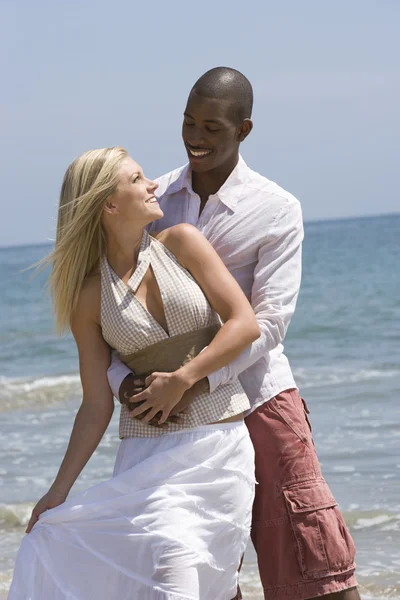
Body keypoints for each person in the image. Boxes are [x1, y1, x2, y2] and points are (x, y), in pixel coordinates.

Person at [108, 67, 360, 600]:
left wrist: (194, 378)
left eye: (212, 128)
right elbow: (121, 302)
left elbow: (268, 321)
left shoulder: (276, 208)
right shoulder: (155, 199)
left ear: (243, 130)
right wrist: (124, 382)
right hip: (173, 417)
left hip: (260, 397)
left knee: (314, 562)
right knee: (199, 564)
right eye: (188, 123)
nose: (196, 138)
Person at [8, 146, 261, 600]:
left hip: (220, 450)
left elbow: (244, 323)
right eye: (138, 178)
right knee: (170, 568)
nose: (154, 185)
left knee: (213, 585)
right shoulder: (89, 295)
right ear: (109, 203)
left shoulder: (183, 242)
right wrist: (57, 492)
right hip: (148, 458)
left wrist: (183, 380)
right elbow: (95, 403)